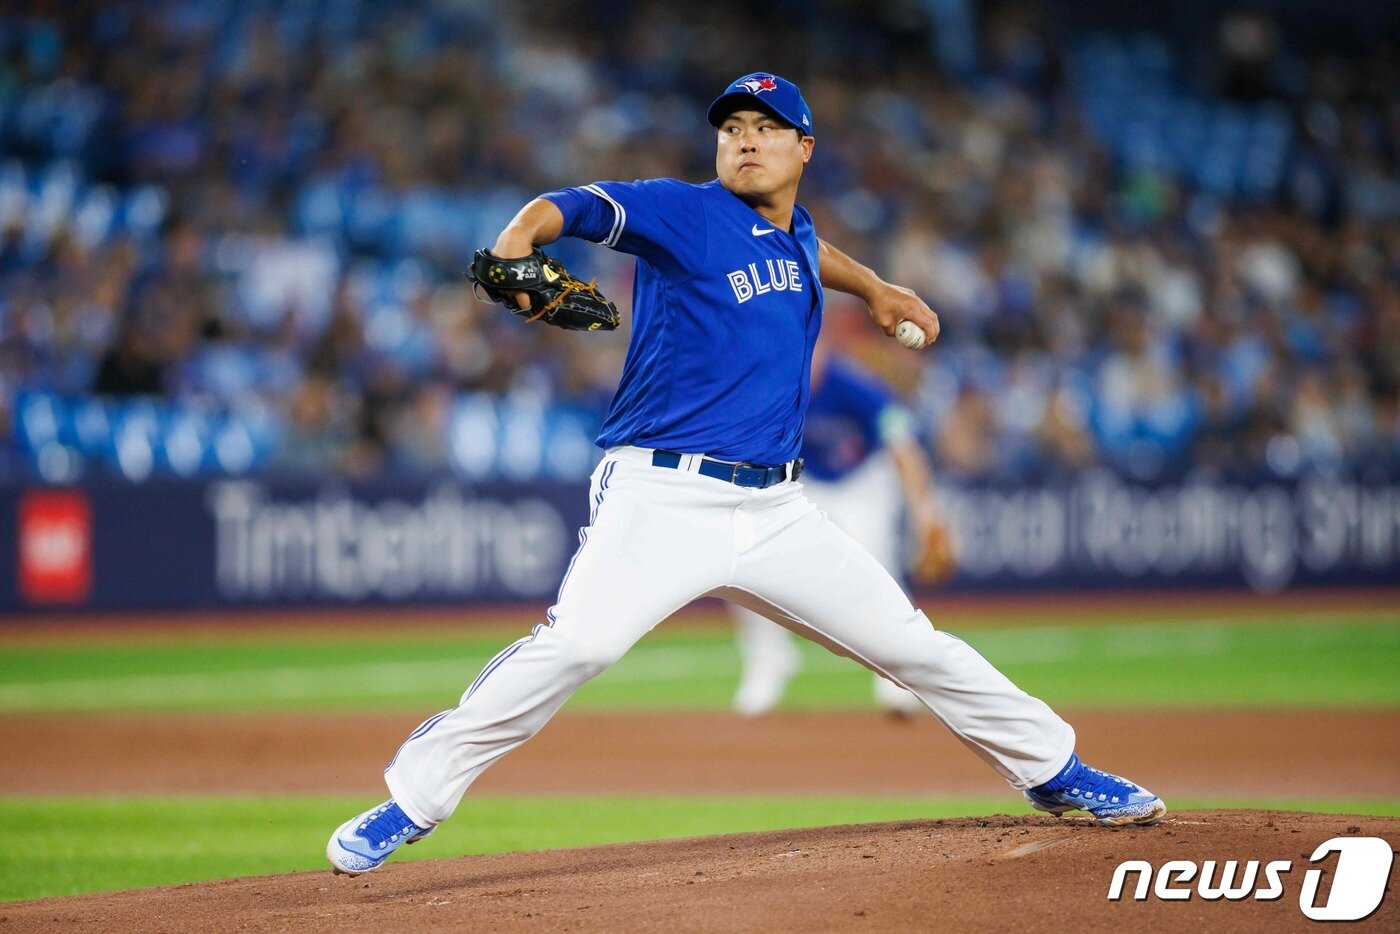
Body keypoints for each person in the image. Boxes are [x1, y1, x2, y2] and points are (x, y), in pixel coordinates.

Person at [326, 73, 1166, 876]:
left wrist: (874, 288)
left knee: (911, 645)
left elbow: (810, 248)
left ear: (805, 148)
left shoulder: (795, 232)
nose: (746, 141)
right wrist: (518, 238)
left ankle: (1056, 770)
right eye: (732, 129)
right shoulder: (683, 213)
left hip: (777, 511)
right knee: (579, 643)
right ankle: (411, 799)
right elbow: (573, 206)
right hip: (661, 494)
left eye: (766, 129)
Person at [731, 327, 948, 717]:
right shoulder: (772, 385)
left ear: (824, 348)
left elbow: (902, 446)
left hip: (861, 480)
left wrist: (924, 510)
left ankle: (897, 675)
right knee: (744, 556)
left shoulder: (853, 386)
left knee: (875, 566)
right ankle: (770, 660)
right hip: (804, 480)